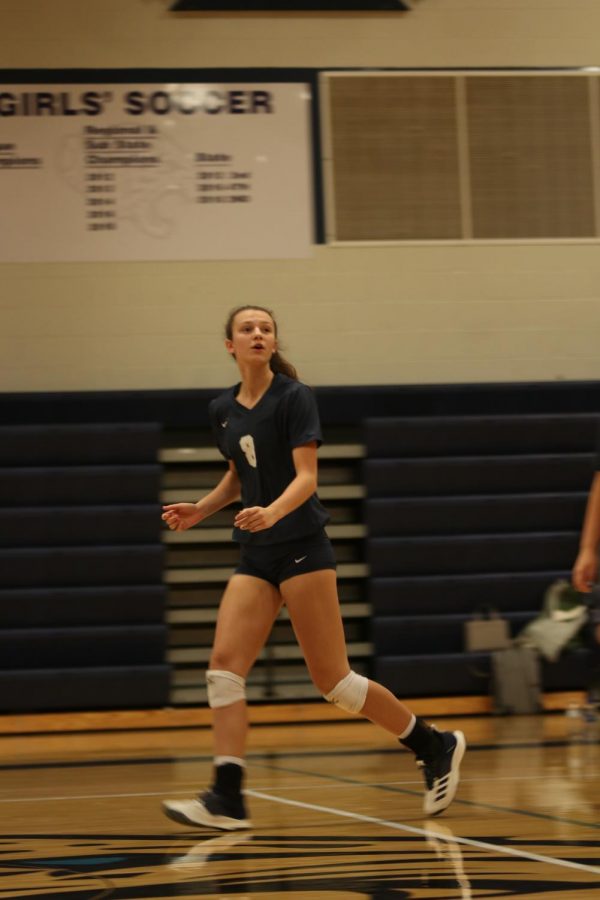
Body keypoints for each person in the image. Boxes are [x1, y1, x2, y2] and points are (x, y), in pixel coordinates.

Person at [161, 305, 466, 831]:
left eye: (266, 328)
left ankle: (433, 743)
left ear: (273, 341)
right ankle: (227, 798)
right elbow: (238, 476)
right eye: (247, 329)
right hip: (256, 552)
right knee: (223, 671)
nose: (258, 334)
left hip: (301, 545)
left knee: (337, 684)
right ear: (230, 346)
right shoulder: (222, 410)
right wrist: (201, 508)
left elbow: (307, 477)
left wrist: (274, 512)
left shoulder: (294, 397)